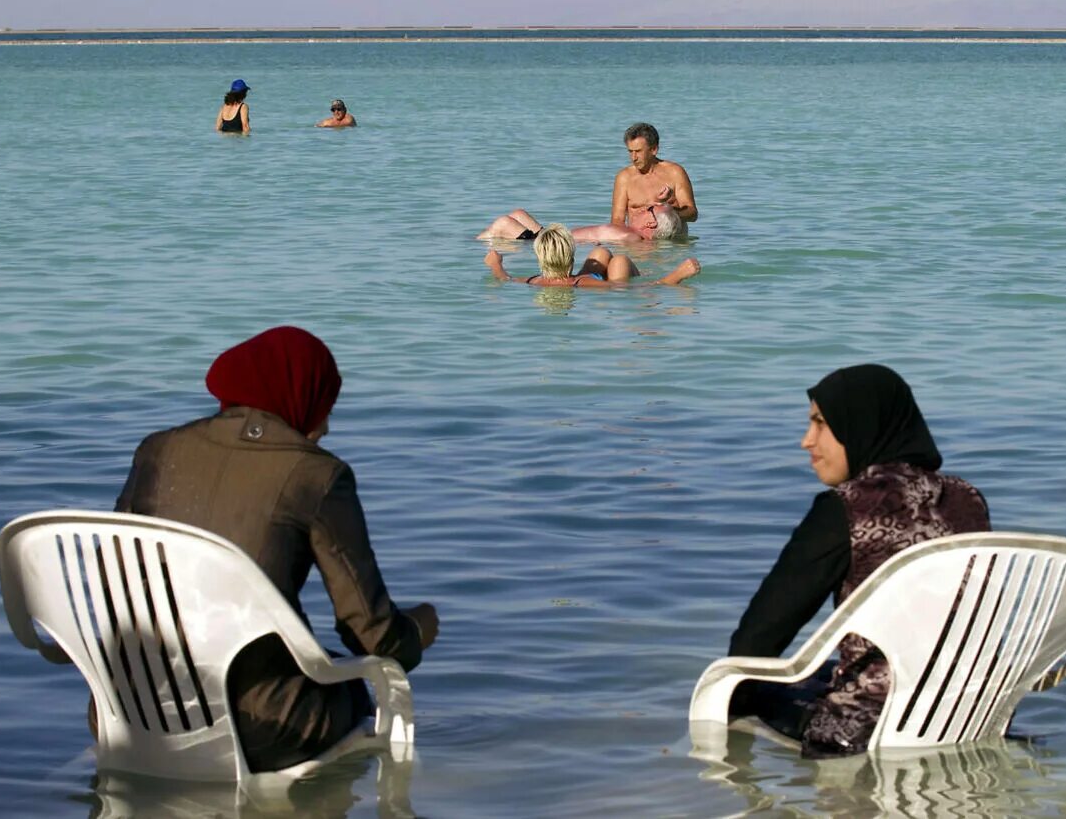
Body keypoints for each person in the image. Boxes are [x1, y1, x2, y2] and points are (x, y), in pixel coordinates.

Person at [111, 326, 439, 772]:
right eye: (324, 406)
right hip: (264, 730)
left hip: (133, 714)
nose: (324, 426)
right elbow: (372, 634)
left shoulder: (155, 451)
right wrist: (418, 630)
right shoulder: (317, 475)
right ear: (298, 397)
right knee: (355, 683)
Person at [727, 364, 991, 758]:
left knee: (738, 686)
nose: (806, 441)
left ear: (858, 425)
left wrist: (729, 696)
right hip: (968, 710)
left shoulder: (845, 510)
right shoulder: (968, 500)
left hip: (868, 726)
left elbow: (760, 637)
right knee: (821, 672)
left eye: (820, 424)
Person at [485, 223, 700, 287]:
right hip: (595, 282)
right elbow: (622, 289)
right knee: (620, 261)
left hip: (577, 277)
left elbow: (505, 278)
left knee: (600, 252)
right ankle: (632, 269)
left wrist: (495, 263)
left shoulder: (534, 281)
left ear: (540, 257)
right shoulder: (582, 284)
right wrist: (677, 274)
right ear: (570, 258)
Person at [611, 122, 697, 228]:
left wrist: (665, 212)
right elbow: (617, 221)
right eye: (630, 151)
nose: (633, 157)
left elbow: (692, 214)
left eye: (638, 151)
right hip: (638, 241)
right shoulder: (624, 178)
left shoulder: (675, 172)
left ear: (654, 149)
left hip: (672, 241)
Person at [477, 205, 684, 243]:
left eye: (648, 209)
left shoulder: (632, 237)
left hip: (548, 244)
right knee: (518, 214)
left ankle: (471, 246)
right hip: (550, 235)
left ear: (650, 222)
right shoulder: (630, 233)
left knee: (503, 223)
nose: (640, 209)